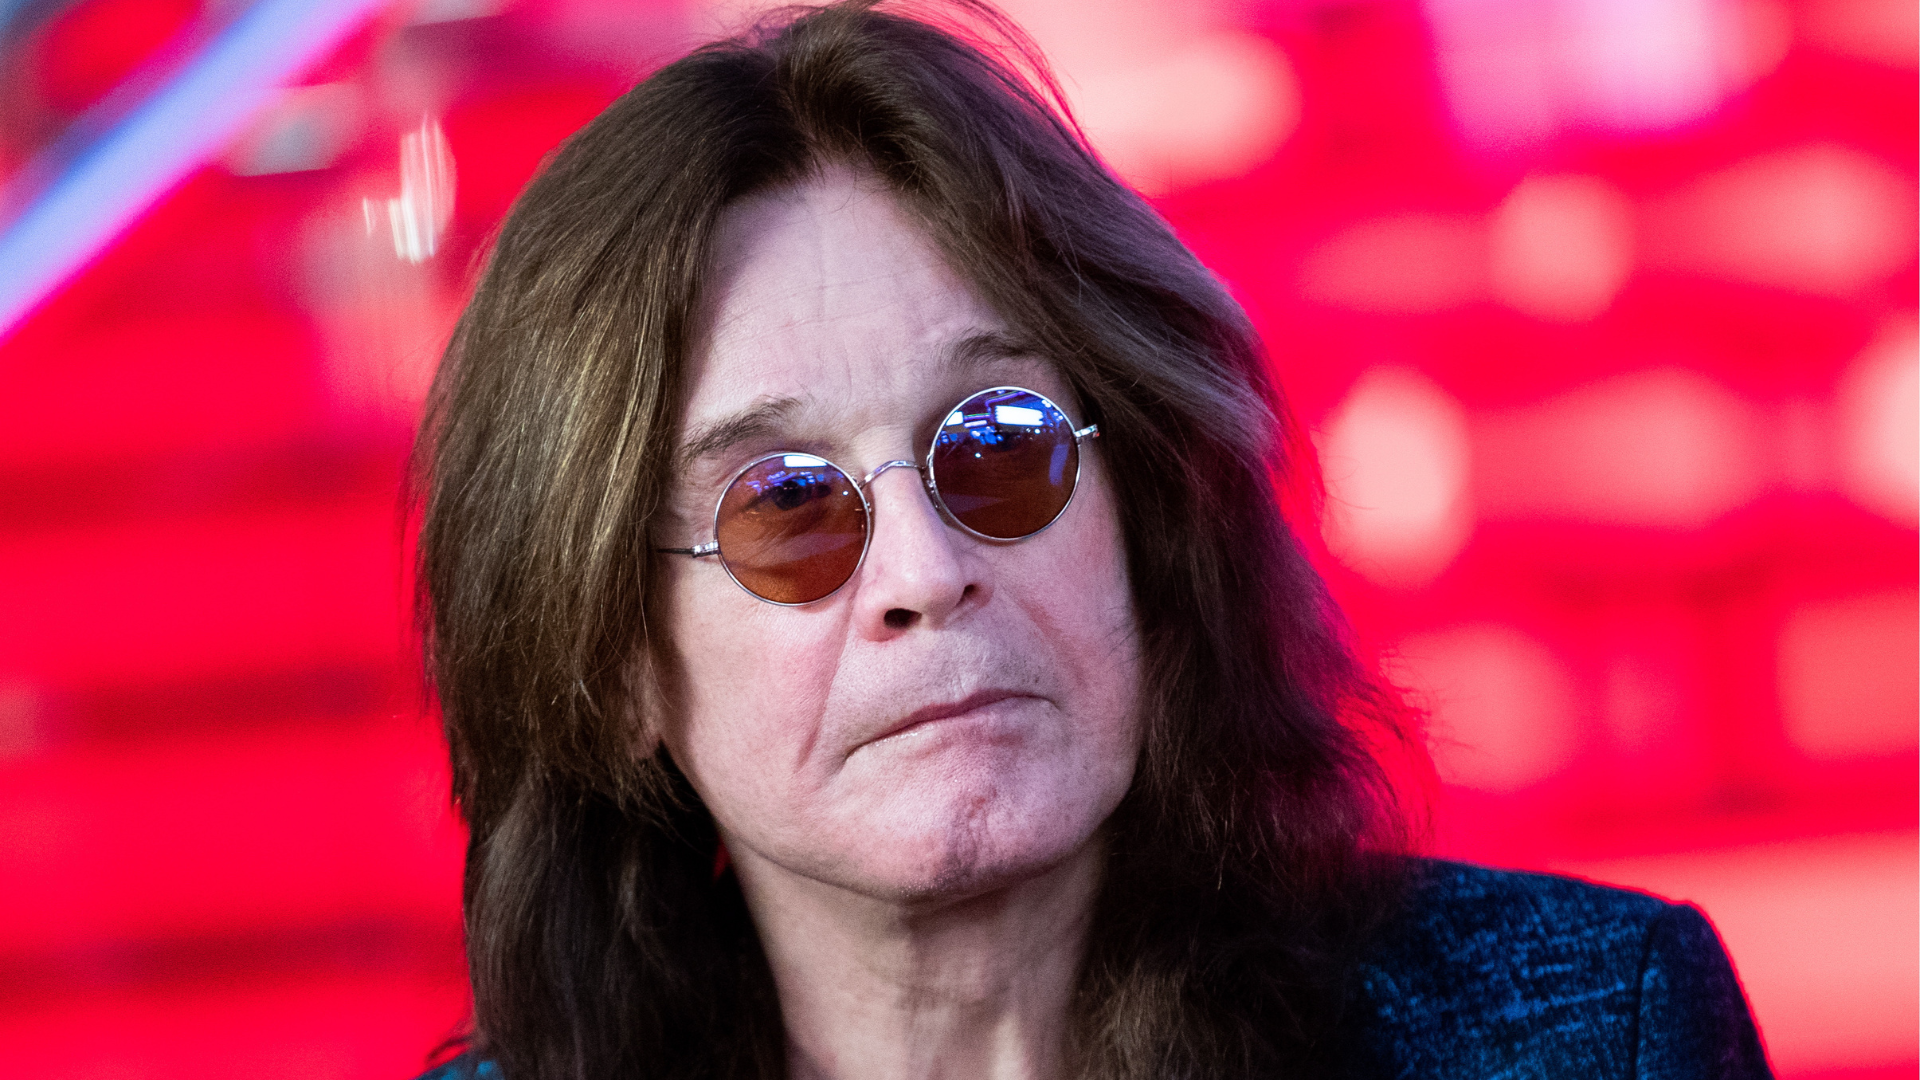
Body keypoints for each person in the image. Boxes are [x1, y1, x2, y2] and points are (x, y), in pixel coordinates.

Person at [410, 3, 1772, 1077]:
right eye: (786, 507)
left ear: (1150, 515)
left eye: (999, 447)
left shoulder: (1592, 1034)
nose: (926, 573)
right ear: (615, 661)